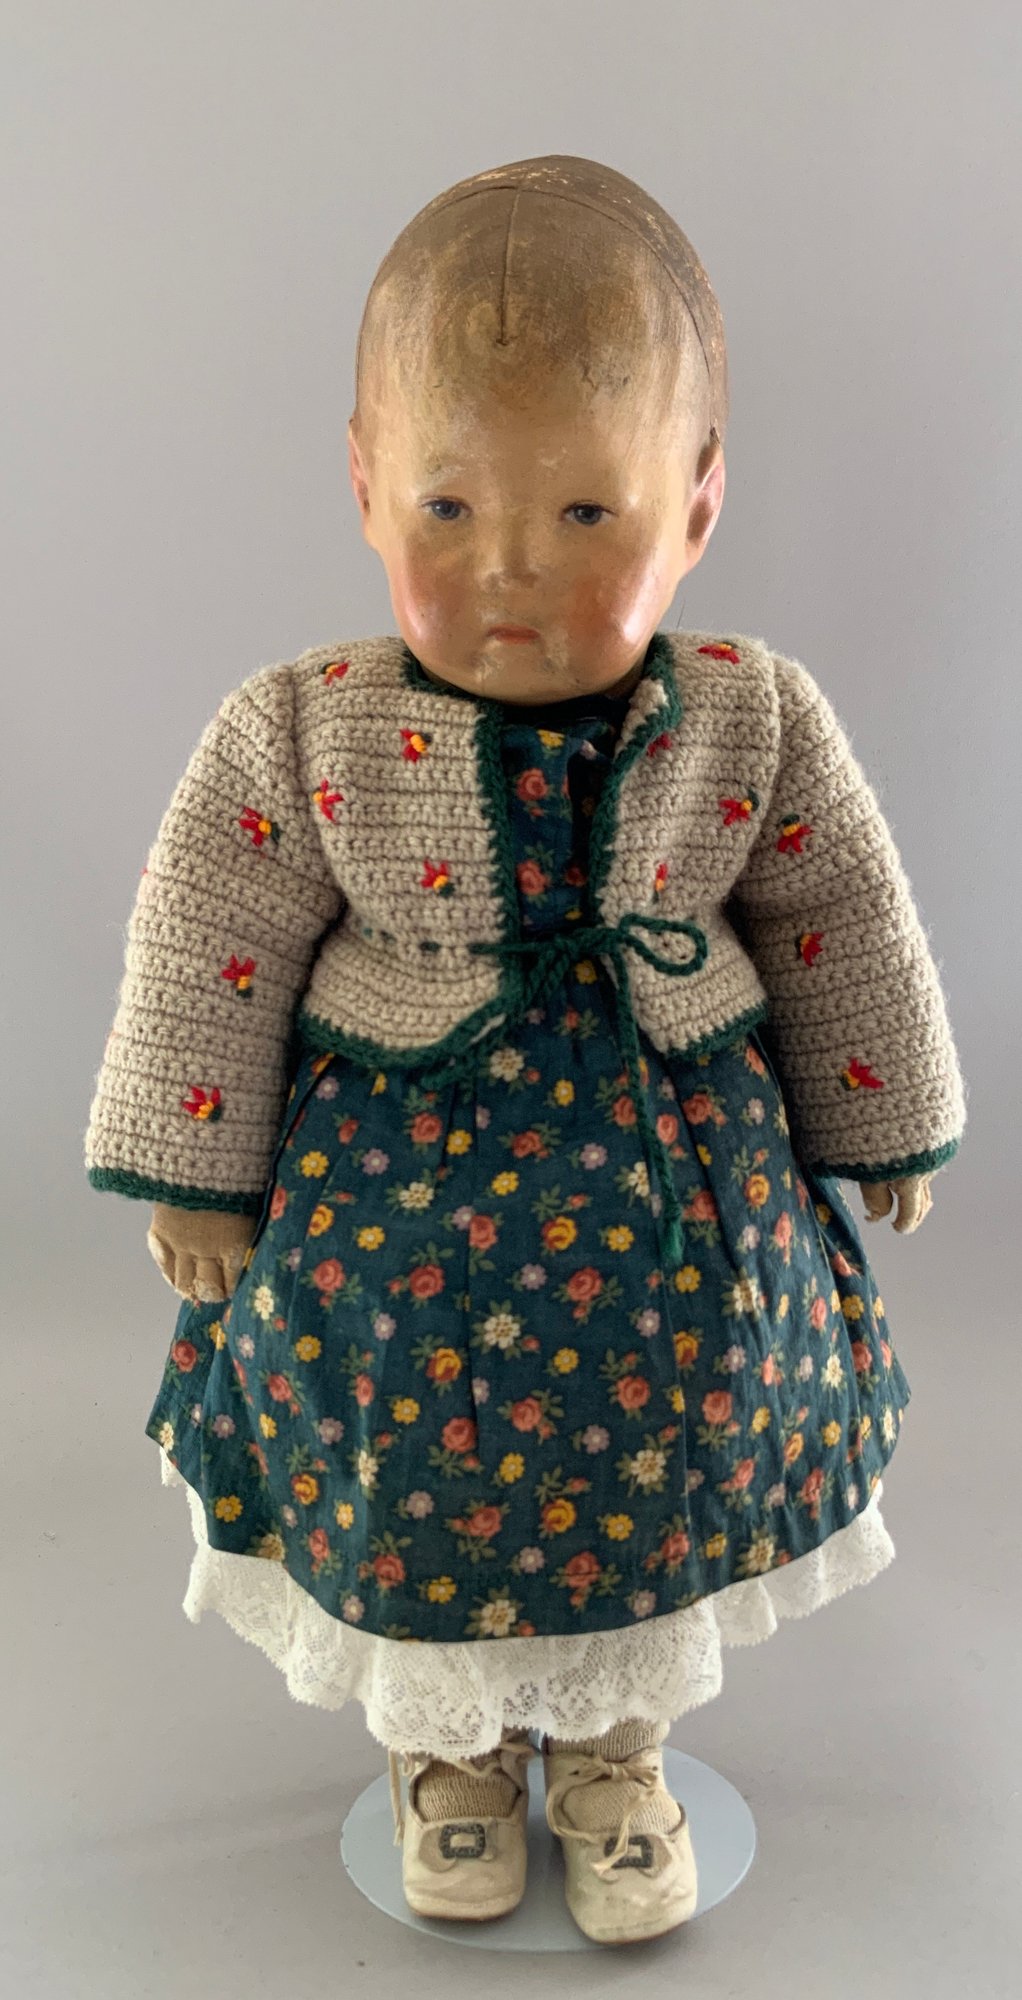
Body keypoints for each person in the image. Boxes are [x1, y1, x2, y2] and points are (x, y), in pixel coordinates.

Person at [84, 155, 966, 1946]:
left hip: (680, 1216)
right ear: (361, 484)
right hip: (390, 1224)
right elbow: (208, 950)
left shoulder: (751, 718)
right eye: (448, 506)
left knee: (687, 1441)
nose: (511, 569)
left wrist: (882, 1116)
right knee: (413, 1467)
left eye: (584, 511)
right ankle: (454, 1754)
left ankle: (618, 1748)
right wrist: (198, 1175)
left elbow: (837, 922)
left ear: (696, 504)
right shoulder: (298, 729)